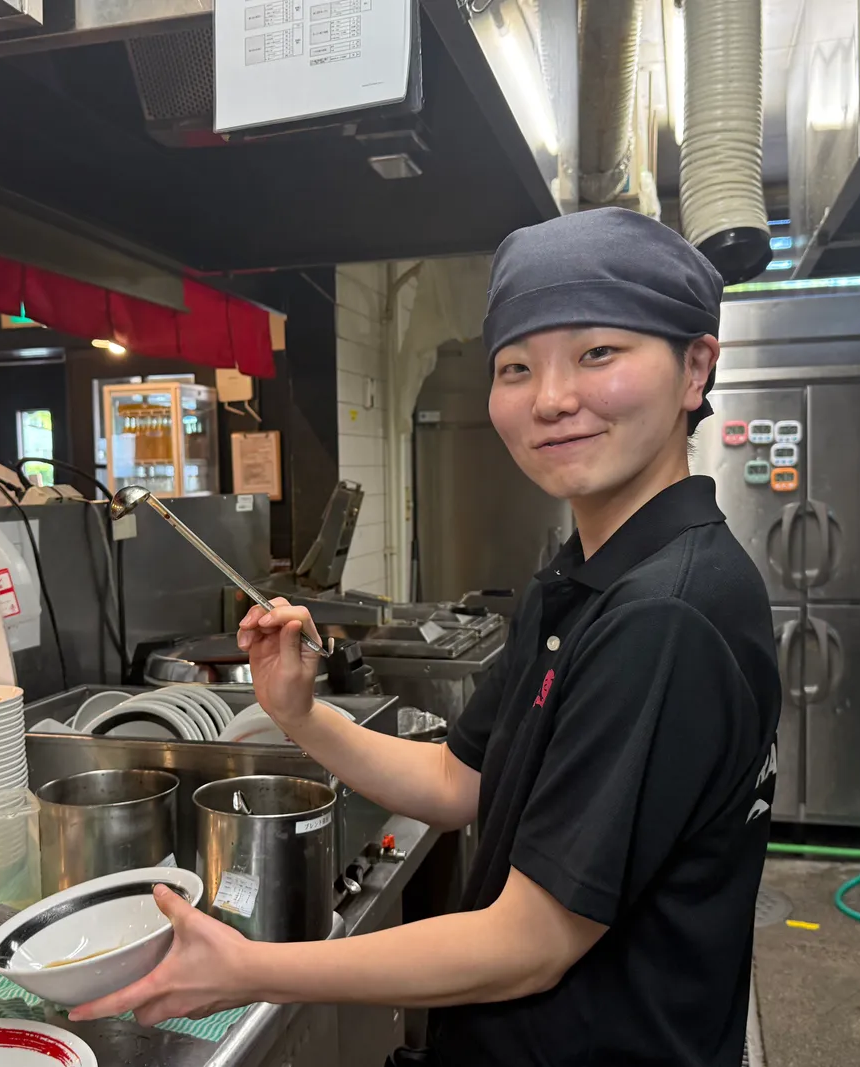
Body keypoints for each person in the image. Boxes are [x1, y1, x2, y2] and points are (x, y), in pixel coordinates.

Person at [71, 208, 782, 1067]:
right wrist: (298, 713)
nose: (552, 398)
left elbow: (531, 940)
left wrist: (254, 966)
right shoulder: (588, 577)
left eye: (598, 353)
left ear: (694, 368)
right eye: (517, 366)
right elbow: (458, 781)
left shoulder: (665, 614)